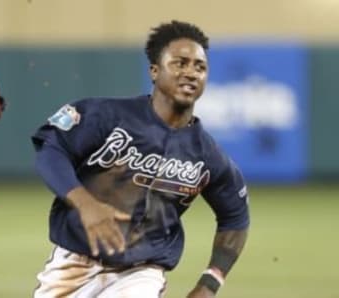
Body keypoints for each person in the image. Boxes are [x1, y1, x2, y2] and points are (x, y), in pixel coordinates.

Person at [31, 20, 250, 298]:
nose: (191, 73)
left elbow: (235, 216)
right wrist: (85, 204)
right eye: (180, 63)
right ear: (155, 71)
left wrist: (210, 283)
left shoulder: (207, 154)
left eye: (200, 67)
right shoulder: (106, 116)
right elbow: (51, 149)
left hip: (141, 274)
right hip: (73, 265)